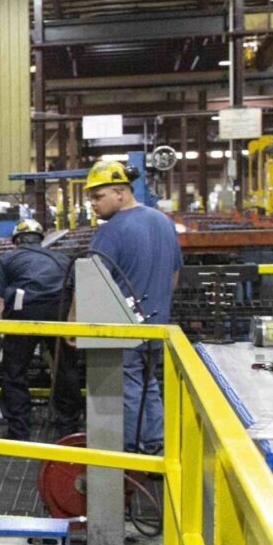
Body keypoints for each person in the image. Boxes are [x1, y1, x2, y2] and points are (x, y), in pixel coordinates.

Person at [84, 158, 181, 453]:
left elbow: (91, 281)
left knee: (127, 389)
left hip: (123, 326)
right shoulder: (163, 222)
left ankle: (128, 455)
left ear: (120, 192)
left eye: (98, 196)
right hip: (156, 325)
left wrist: (74, 324)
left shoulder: (111, 231)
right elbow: (174, 274)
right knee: (149, 385)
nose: (93, 204)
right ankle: (155, 448)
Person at [0, 219, 81, 441]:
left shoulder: (6, 258)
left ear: (15, 241)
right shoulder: (62, 258)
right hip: (60, 313)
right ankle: (69, 429)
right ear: (41, 239)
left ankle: (19, 431)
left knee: (15, 371)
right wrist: (71, 321)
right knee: (65, 370)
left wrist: (6, 324)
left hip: (23, 313)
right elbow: (77, 290)